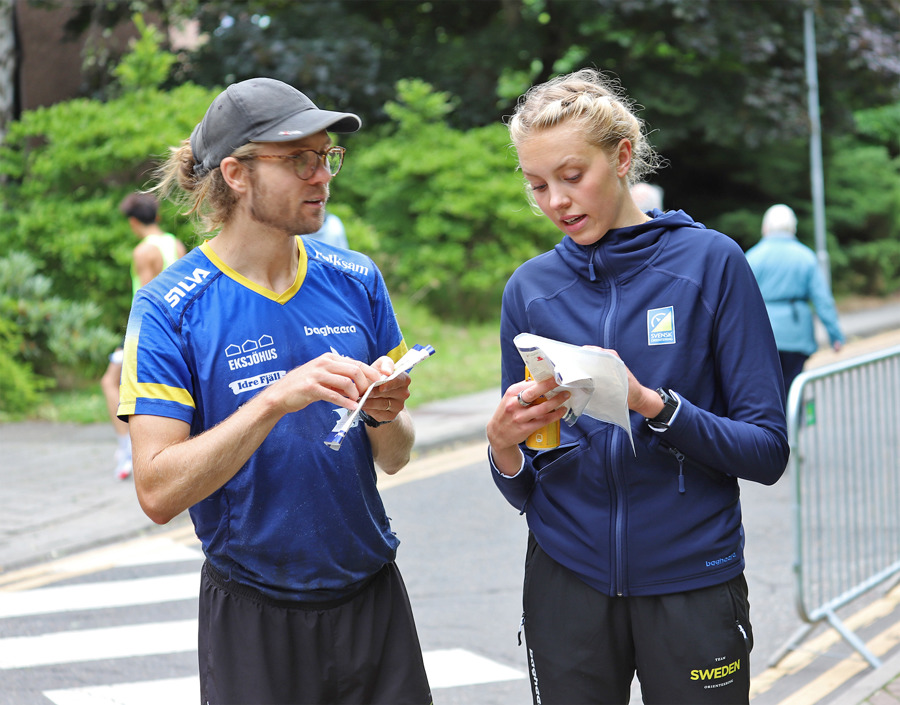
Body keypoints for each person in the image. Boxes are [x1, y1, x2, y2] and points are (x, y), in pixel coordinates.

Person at [116, 77, 431, 705]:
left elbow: (397, 455)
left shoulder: (356, 279)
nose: (323, 176)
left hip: (372, 598)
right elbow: (155, 490)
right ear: (236, 173)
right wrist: (272, 401)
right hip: (253, 610)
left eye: (327, 157)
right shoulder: (168, 308)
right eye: (300, 160)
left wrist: (385, 414)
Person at [485, 68, 789, 705]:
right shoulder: (530, 289)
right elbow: (529, 480)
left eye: (572, 176)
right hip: (566, 583)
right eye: (537, 185)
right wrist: (505, 447)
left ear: (622, 157)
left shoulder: (711, 264)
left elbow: (766, 452)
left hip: (692, 580)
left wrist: (652, 405)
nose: (556, 202)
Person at [100, 192, 186, 480]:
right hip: (179, 330)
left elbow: (147, 300)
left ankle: (128, 451)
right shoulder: (175, 243)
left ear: (133, 222)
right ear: (157, 216)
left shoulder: (143, 252)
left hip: (150, 333)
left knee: (110, 382)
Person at [746, 203, 844, 402]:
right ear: (793, 228)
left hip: (762, 335)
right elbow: (822, 300)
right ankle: (793, 428)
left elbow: (740, 302)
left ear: (765, 227)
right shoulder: (806, 256)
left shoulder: (752, 257)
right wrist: (835, 334)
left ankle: (770, 430)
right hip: (796, 334)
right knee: (793, 389)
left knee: (767, 392)